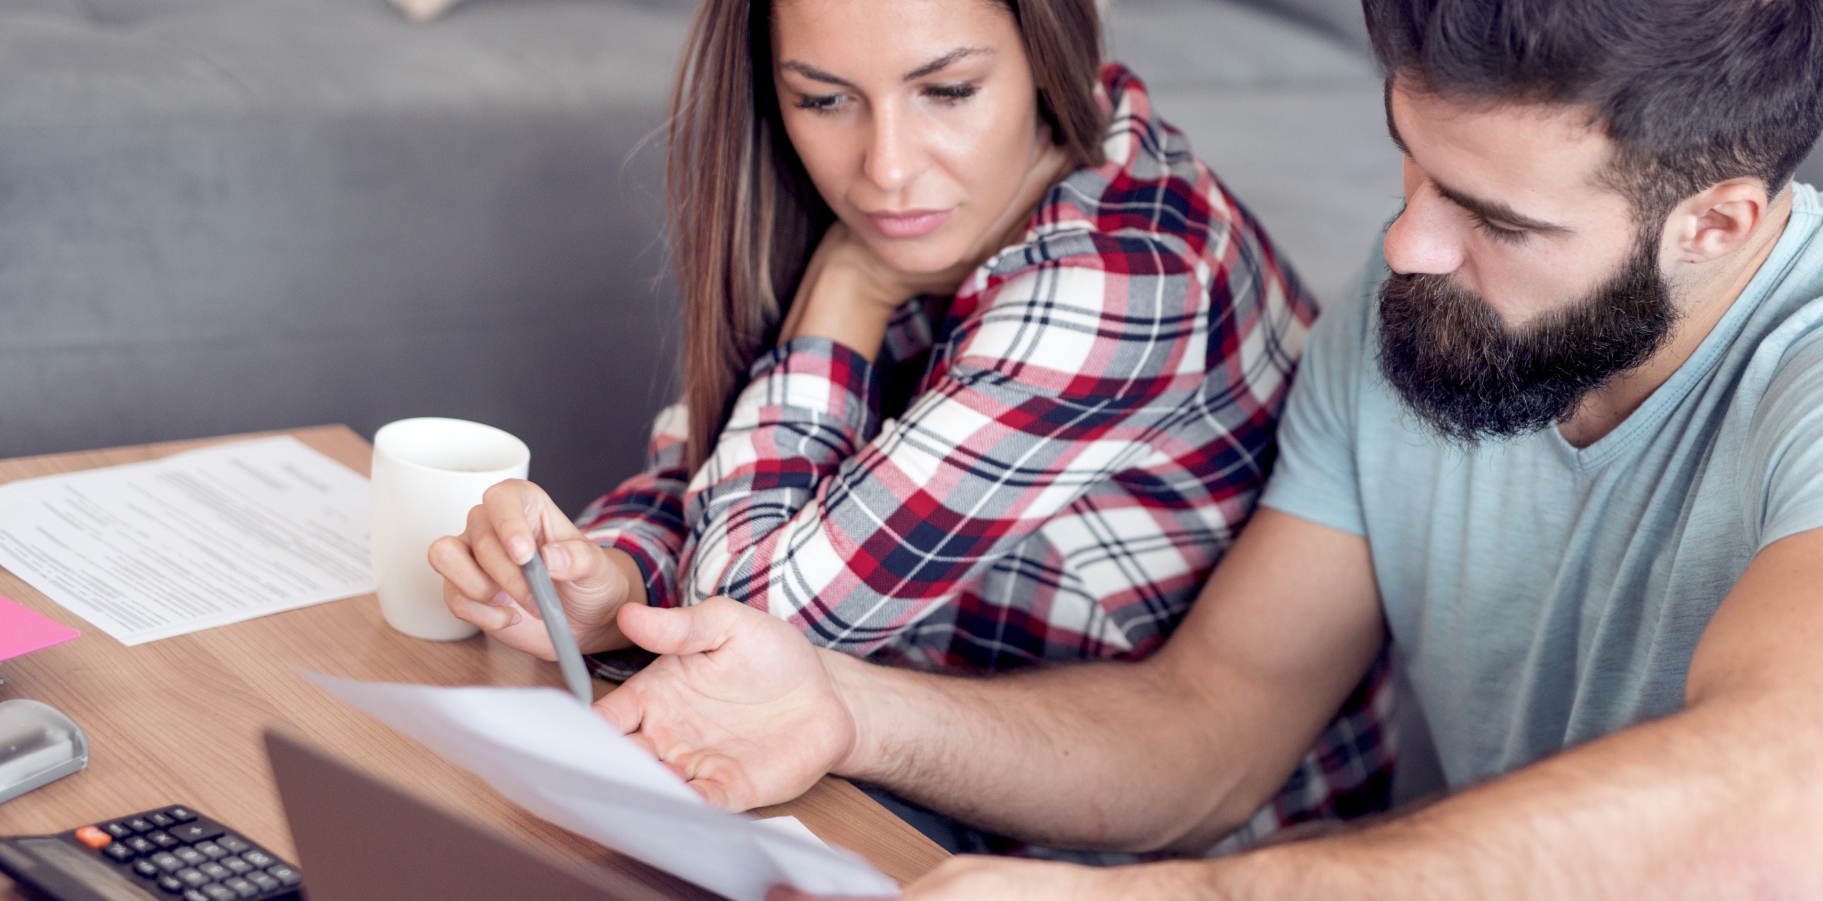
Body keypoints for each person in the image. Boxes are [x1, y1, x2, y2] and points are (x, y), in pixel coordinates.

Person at [561, 0, 1823, 898]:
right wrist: (841, 709)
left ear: (1716, 222)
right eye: (1410, 167)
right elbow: (1210, 727)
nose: (1403, 245)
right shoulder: (1419, 302)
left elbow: (1790, 823)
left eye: (1494, 216)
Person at [423, 0, 1390, 861]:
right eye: (824, 100)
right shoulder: (918, 196)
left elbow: (753, 618)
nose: (885, 170)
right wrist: (613, 575)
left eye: (950, 89)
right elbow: (706, 469)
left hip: (1139, 855)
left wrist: (848, 288)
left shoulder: (1124, 278)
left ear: (1049, 47)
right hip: (914, 735)